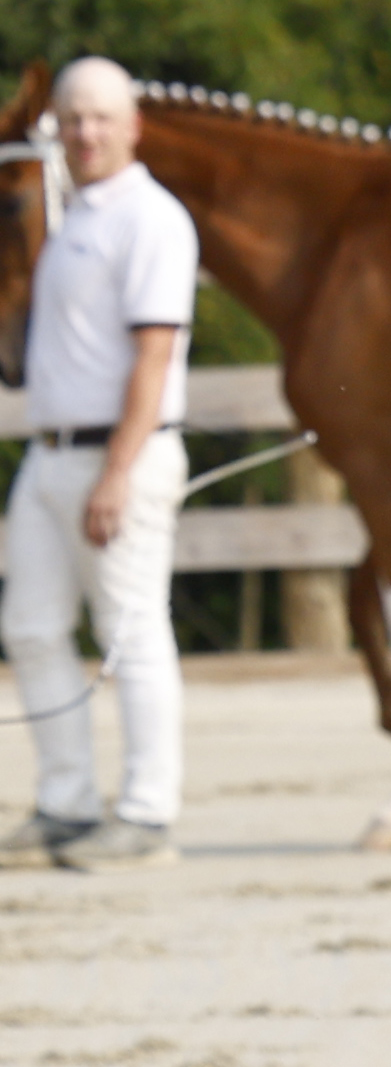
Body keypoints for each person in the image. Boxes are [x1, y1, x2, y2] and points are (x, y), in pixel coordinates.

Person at [10, 58, 197, 869]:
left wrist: (118, 471)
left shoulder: (151, 220)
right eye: (73, 118)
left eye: (100, 116)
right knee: (30, 627)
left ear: (132, 125)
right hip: (48, 455)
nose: (86, 132)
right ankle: (66, 801)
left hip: (119, 455)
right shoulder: (69, 222)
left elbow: (154, 355)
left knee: (132, 632)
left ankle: (149, 813)